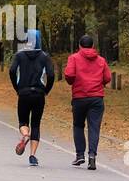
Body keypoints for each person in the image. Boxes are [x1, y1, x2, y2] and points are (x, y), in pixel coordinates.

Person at [63, 33, 111, 170]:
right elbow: (107, 77)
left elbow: (69, 75)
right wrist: (98, 82)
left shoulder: (74, 58)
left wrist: (72, 82)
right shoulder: (101, 60)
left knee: (78, 125)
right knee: (94, 127)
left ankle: (79, 155)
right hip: (96, 98)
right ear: (93, 46)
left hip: (79, 97)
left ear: (79, 45)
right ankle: (92, 156)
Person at [8, 29, 56, 166]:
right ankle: (32, 156)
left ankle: (25, 134)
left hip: (23, 93)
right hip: (39, 94)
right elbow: (51, 75)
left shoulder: (19, 55)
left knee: (23, 121)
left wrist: (16, 87)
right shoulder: (44, 56)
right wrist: (47, 90)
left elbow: (12, 71)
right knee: (36, 123)